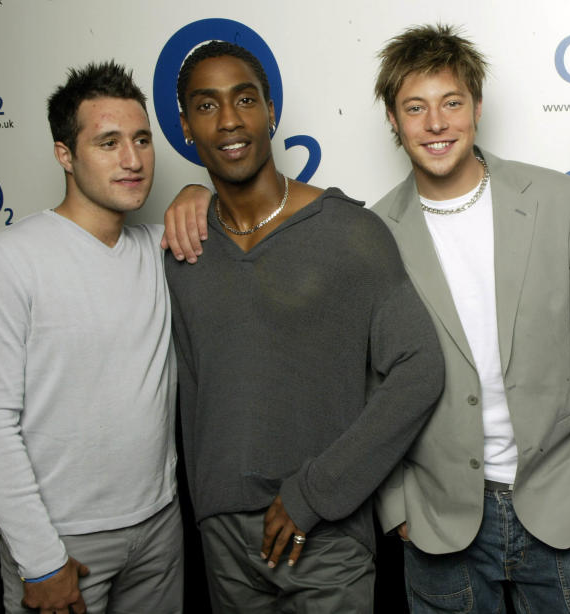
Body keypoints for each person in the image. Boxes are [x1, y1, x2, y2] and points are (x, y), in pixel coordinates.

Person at [166, 41, 444, 613]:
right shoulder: (182, 246)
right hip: (222, 543)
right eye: (206, 105)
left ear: (271, 112)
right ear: (187, 128)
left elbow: (420, 370)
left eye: (244, 99)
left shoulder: (350, 231)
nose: (229, 120)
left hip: (323, 537)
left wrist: (315, 495)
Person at [370, 24, 570, 613]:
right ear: (393, 119)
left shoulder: (555, 200)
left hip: (563, 503)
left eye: (451, 102)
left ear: (477, 108)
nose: (436, 123)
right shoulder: (375, 234)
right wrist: (397, 505)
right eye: (415, 107)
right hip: (439, 518)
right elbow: (373, 382)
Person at [0, 61, 182, 614]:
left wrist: (195, 191)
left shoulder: (162, 249)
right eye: (108, 142)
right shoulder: (6, 261)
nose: (132, 160)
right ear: (65, 155)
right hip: (63, 542)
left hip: (160, 529)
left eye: (141, 140)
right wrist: (41, 560)